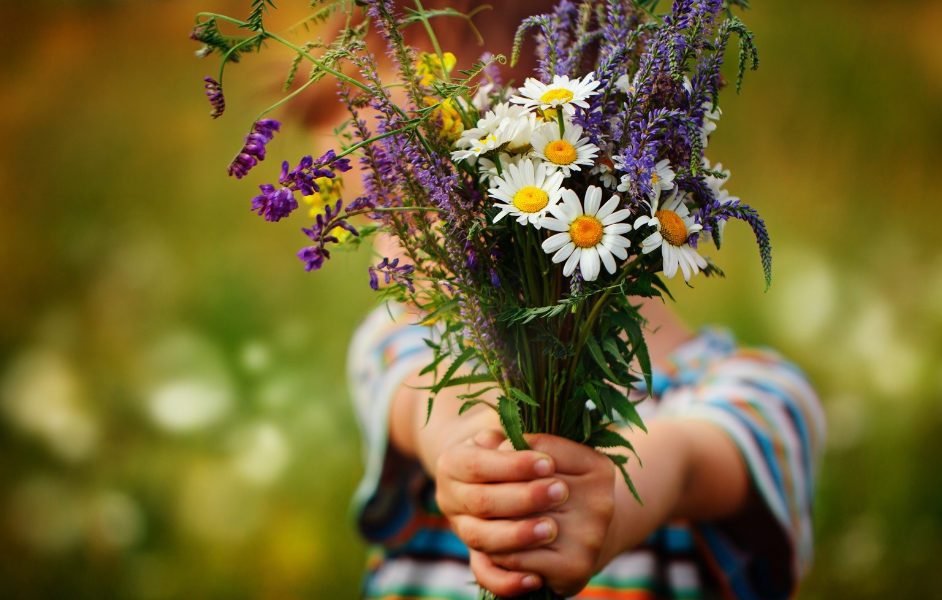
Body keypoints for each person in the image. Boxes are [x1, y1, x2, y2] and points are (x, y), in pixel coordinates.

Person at [339, 2, 826, 598]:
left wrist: (615, 504)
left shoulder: (759, 397)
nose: (377, 225)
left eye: (405, 183)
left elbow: (693, 457)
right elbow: (430, 408)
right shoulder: (397, 345)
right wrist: (473, 462)